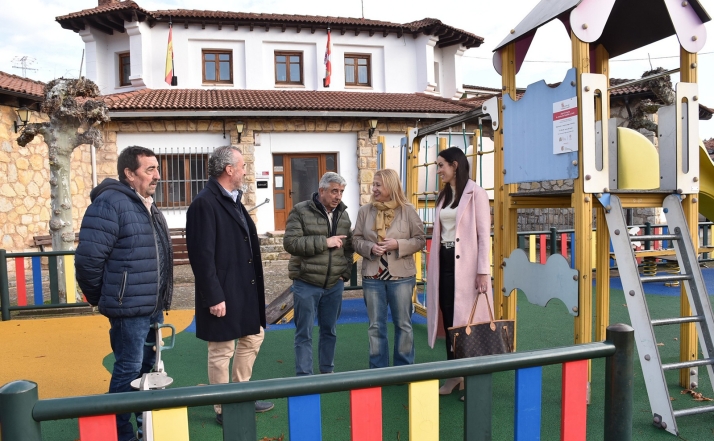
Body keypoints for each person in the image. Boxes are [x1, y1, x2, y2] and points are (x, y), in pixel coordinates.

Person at [75, 146, 173, 441]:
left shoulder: (146, 203)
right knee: (128, 370)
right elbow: (88, 260)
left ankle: (143, 427)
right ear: (130, 174)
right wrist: (104, 297)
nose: (157, 175)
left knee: (145, 370)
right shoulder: (110, 204)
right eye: (150, 170)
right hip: (128, 308)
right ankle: (120, 433)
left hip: (149, 306)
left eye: (157, 168)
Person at [185, 146, 273, 423]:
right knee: (222, 349)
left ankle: (240, 393)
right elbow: (201, 256)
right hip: (223, 292)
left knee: (254, 336)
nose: (246, 170)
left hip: (242, 288)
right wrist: (213, 296)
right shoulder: (205, 202)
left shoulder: (233, 198)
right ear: (229, 170)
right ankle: (224, 407)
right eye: (243, 165)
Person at [426, 147, 493, 396]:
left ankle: (469, 376)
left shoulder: (477, 193)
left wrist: (483, 271)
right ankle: (455, 375)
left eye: (441, 165)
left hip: (466, 266)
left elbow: (483, 236)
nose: (439, 170)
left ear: (455, 165)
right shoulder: (444, 196)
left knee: (466, 321)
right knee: (448, 316)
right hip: (443, 261)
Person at [283, 172, 354, 376]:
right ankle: (305, 377)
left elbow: (348, 248)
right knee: (304, 333)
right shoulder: (300, 211)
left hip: (334, 284)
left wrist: (344, 273)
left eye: (341, 192)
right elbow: (291, 243)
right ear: (321, 190)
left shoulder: (344, 214)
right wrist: (325, 242)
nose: (338, 196)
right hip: (306, 282)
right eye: (334, 191)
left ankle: (327, 372)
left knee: (329, 331)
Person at [353, 169, 425, 368]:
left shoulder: (408, 210)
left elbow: (420, 240)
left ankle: (403, 368)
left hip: (401, 277)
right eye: (373, 184)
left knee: (403, 324)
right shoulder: (365, 211)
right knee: (376, 326)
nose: (373, 189)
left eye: (378, 185)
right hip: (373, 277)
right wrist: (369, 247)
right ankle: (378, 369)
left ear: (390, 186)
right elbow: (356, 240)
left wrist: (398, 245)